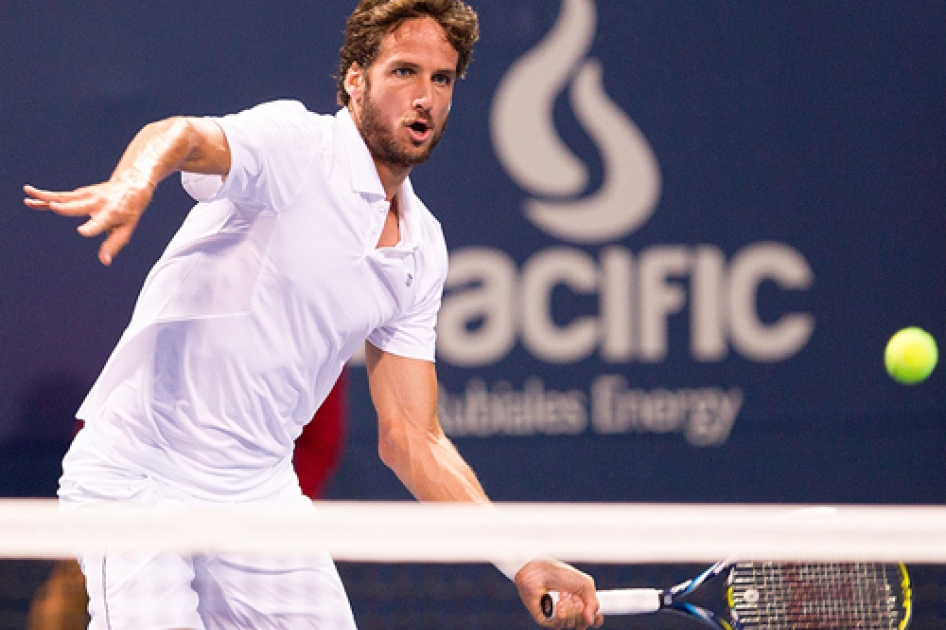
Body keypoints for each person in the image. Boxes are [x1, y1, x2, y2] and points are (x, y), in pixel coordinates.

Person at [24, 1, 603, 628]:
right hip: (140, 477)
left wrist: (521, 559)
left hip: (257, 493)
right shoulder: (295, 145)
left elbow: (412, 436)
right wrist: (137, 180)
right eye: (404, 71)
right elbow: (183, 135)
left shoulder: (422, 246)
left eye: (441, 79)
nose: (424, 98)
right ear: (355, 79)